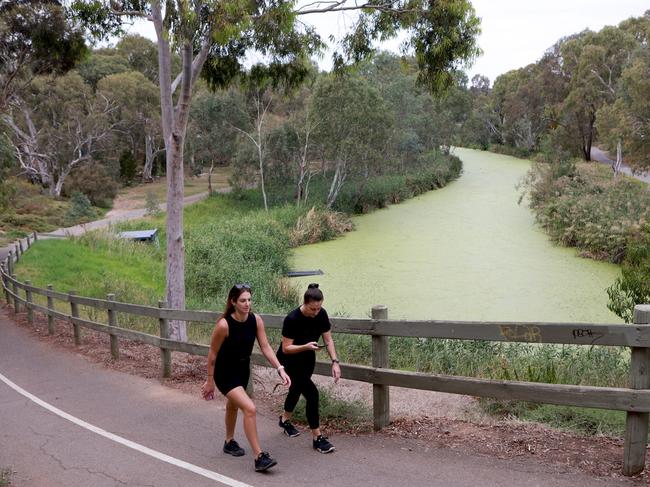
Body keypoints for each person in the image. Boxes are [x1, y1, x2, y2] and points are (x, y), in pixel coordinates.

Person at [201, 283, 291, 472]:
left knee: (233, 405)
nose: (247, 304)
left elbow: (265, 347)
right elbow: (212, 355)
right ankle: (259, 457)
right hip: (225, 372)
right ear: (233, 302)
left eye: (249, 300)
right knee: (249, 408)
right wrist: (210, 381)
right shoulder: (224, 325)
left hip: (242, 370)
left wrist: (280, 368)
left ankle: (229, 442)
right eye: (243, 300)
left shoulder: (255, 320)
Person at [276, 283, 341, 453]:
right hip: (289, 360)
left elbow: (328, 340)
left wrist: (335, 361)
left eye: (319, 308)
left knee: (296, 390)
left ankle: (284, 420)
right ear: (305, 303)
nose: (316, 312)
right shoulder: (292, 319)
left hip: (307, 358)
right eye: (313, 309)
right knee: (312, 394)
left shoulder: (321, 314)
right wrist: (305, 346)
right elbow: (285, 348)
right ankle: (317, 438)